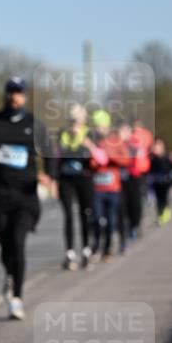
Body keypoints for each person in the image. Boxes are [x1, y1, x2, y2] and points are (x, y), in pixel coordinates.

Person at [0, 77, 53, 320]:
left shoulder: (34, 124)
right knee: (6, 245)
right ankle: (10, 276)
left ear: (25, 96)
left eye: (19, 92)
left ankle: (16, 298)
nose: (14, 96)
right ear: (5, 94)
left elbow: (50, 154)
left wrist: (48, 176)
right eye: (11, 92)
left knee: (18, 242)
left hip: (25, 196)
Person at [54, 104, 105, 270]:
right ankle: (69, 252)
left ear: (83, 119)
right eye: (72, 119)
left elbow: (102, 158)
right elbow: (55, 158)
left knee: (86, 214)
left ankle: (85, 249)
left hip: (84, 178)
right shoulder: (62, 134)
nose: (74, 123)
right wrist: (53, 179)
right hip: (66, 179)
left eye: (77, 119)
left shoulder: (90, 134)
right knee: (68, 215)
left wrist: (89, 145)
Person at [89, 113, 132, 262]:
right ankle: (95, 247)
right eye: (96, 126)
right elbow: (89, 163)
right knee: (96, 219)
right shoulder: (92, 141)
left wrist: (110, 156)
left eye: (101, 126)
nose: (99, 129)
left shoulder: (116, 141)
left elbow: (126, 160)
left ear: (107, 126)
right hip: (97, 188)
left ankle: (107, 249)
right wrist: (94, 161)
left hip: (113, 188)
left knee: (110, 220)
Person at [148, 139, 172, 225]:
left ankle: (165, 213)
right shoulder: (152, 160)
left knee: (164, 199)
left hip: (166, 183)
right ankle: (160, 215)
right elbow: (149, 172)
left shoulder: (167, 158)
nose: (156, 149)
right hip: (156, 183)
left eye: (158, 147)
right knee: (158, 200)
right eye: (155, 147)